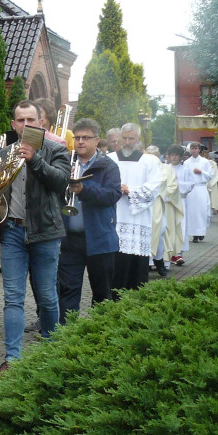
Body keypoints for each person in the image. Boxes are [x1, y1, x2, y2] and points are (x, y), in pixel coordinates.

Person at [0, 100, 70, 379]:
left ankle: (52, 350)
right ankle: (12, 360)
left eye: (31, 120)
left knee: (46, 296)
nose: (26, 125)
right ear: (13, 125)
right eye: (20, 121)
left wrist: (34, 159)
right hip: (11, 231)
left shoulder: (56, 149)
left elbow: (60, 183)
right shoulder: (6, 152)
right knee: (12, 298)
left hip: (45, 232)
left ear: (41, 122)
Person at [57, 118, 122, 324]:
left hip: (100, 239)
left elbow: (112, 195)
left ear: (97, 141)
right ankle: (67, 335)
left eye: (86, 138)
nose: (81, 142)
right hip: (70, 240)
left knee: (102, 293)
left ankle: (99, 336)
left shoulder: (108, 166)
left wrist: (84, 190)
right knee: (67, 290)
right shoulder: (66, 162)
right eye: (77, 138)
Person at [108, 123, 161, 293]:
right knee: (115, 269)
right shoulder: (109, 159)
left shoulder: (150, 161)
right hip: (114, 220)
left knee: (137, 272)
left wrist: (129, 190)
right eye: (125, 138)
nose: (128, 142)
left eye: (132, 138)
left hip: (139, 221)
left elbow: (154, 187)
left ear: (139, 140)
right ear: (120, 138)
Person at [158, 145, 187, 270]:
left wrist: (177, 186)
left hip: (181, 201)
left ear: (181, 157)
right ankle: (168, 254)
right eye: (172, 155)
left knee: (180, 227)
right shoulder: (165, 169)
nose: (174, 157)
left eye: (177, 155)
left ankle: (178, 252)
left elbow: (190, 185)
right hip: (166, 202)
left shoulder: (185, 170)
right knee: (167, 228)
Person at [182, 142, 214, 243]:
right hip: (191, 190)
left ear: (199, 149)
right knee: (191, 212)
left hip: (200, 188)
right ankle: (194, 234)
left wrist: (201, 172)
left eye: (196, 148)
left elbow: (210, 175)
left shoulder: (205, 162)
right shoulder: (187, 162)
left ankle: (201, 232)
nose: (194, 150)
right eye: (192, 149)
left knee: (202, 211)